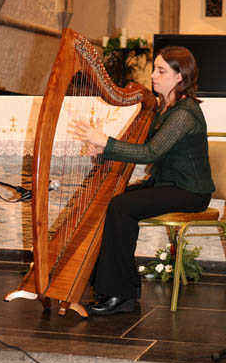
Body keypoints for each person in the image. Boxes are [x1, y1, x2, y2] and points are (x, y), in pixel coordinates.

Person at [72, 45, 215, 316]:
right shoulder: (165, 108)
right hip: (169, 185)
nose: (153, 75)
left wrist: (105, 141)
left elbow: (150, 152)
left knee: (122, 207)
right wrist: (103, 151)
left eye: (161, 70)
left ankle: (120, 294)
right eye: (154, 69)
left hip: (190, 191)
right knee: (115, 203)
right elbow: (144, 146)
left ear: (180, 77)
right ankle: (121, 288)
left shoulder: (184, 113)